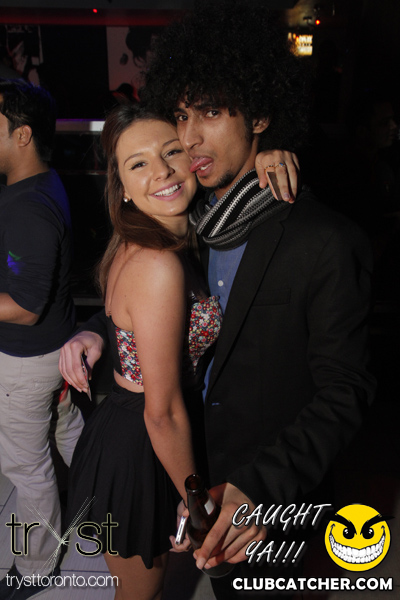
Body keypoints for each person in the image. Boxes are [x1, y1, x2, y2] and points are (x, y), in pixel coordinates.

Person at [60, 2, 377, 597]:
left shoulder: (324, 241)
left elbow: (346, 390)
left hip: (264, 491)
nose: (189, 137)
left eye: (210, 111)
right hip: (184, 462)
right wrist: (97, 331)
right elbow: (156, 308)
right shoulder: (192, 222)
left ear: (260, 113)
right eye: (181, 115)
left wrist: (261, 487)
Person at [64, 103, 223, 600]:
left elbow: (121, 327)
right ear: (124, 188)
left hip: (137, 435)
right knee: (140, 594)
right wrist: (197, 501)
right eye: (139, 163)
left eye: (170, 152)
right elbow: (162, 412)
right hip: (139, 445)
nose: (162, 171)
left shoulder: (147, 242)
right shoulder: (158, 264)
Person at [0, 78, 84, 600]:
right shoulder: (38, 184)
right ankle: (113, 494)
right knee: (68, 433)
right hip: (55, 348)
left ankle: (35, 568)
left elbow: (25, 308)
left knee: (26, 468)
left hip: (27, 360)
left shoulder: (28, 206)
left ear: (22, 134)